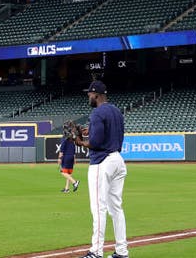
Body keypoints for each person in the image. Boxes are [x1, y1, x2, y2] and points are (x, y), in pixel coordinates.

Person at [74, 80, 128, 258]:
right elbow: (111, 134)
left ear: (96, 94)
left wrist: (80, 141)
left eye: (89, 94)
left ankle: (96, 252)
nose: (88, 96)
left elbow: (95, 143)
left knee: (98, 207)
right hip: (118, 160)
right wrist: (90, 131)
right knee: (116, 209)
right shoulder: (116, 111)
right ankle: (121, 251)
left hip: (102, 162)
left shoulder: (97, 112)